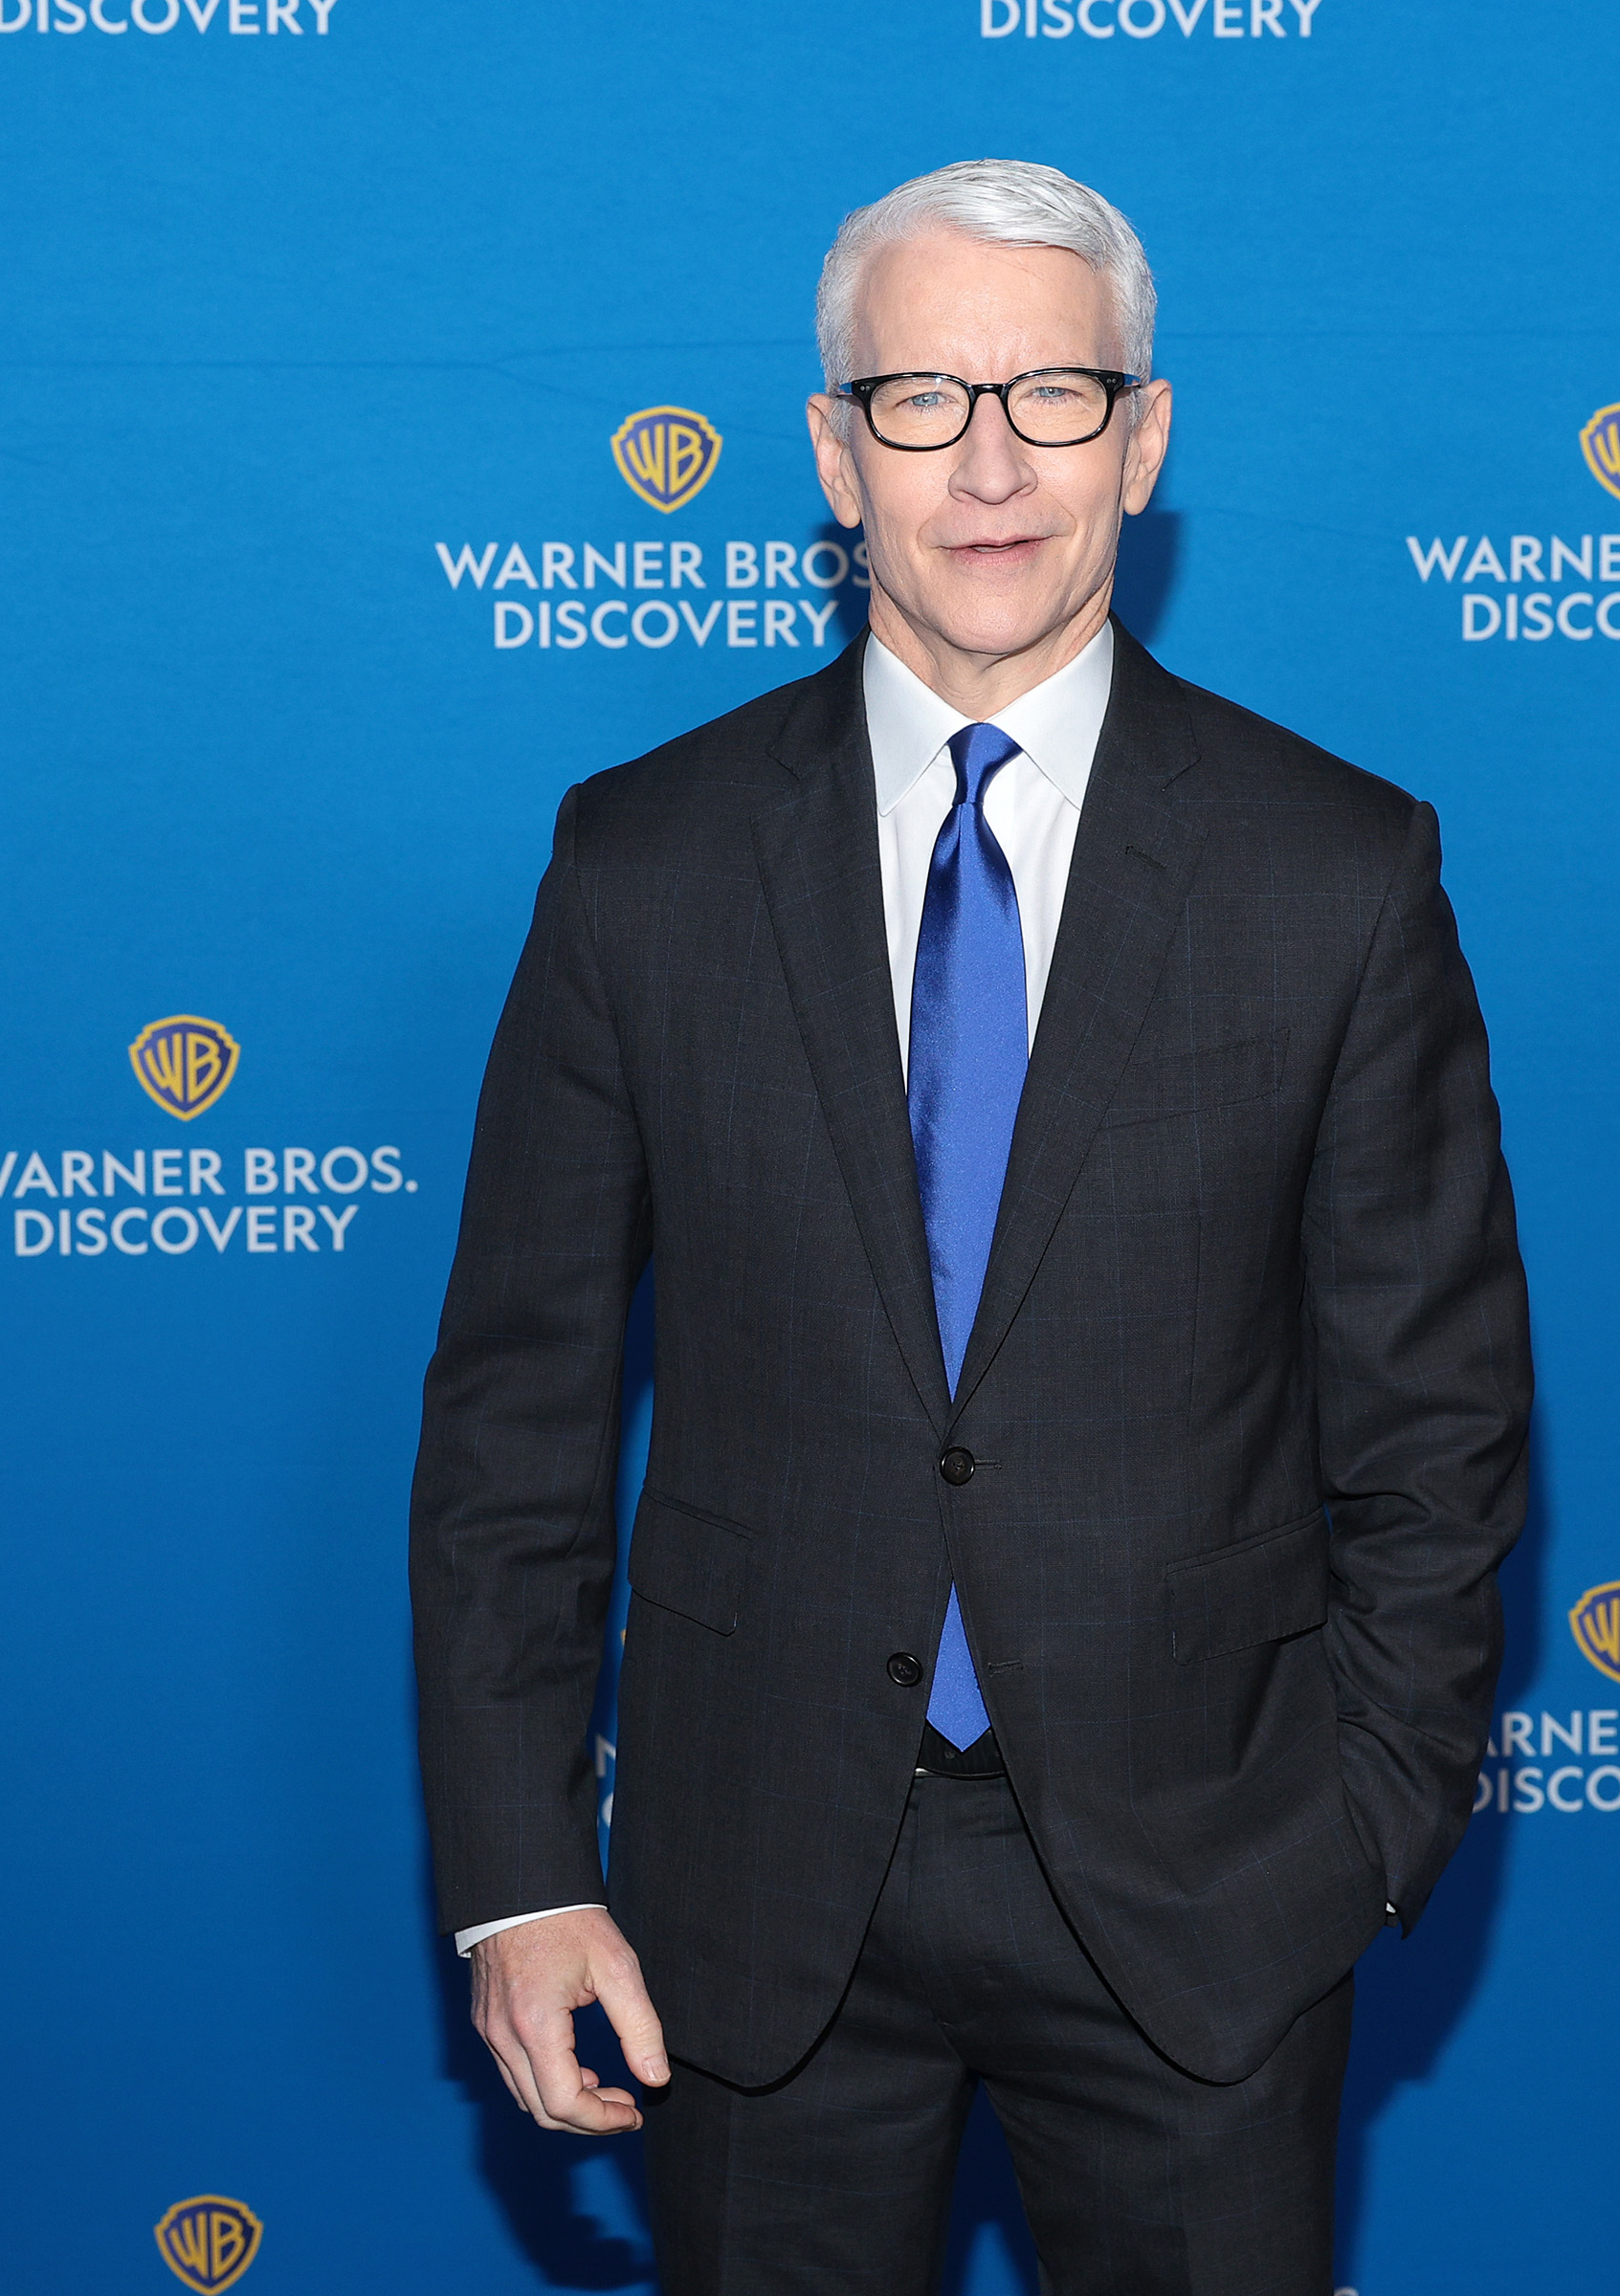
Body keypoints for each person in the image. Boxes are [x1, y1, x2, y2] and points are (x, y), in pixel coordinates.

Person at [411, 157, 1532, 2295]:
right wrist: (521, 1876)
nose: (994, 464)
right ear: (835, 455)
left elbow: (1440, 1430)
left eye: (1056, 394)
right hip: (746, 1912)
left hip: (1207, 1907)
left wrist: (1354, 1844)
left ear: (1150, 435)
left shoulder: (1339, 872)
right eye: (925, 400)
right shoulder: (640, 864)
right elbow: (515, 1419)